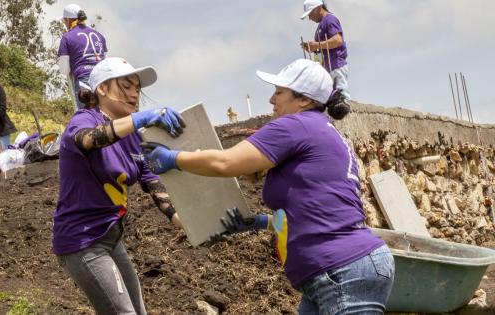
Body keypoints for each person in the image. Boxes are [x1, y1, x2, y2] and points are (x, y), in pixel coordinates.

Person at [142, 59, 395, 314]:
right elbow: (316, 211)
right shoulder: (321, 131)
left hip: (341, 270)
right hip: (335, 271)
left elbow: (225, 163)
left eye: (279, 92)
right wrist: (257, 222)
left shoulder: (296, 125)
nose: (272, 100)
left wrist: (173, 159)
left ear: (304, 100)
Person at [53, 57, 185, 315]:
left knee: (138, 311)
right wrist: (140, 119)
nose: (135, 93)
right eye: (126, 85)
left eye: (137, 88)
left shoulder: (134, 138)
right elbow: (87, 140)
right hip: (83, 241)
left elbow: (151, 182)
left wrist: (182, 221)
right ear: (101, 89)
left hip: (111, 238)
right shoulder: (84, 119)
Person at [58, 3, 108, 111]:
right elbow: (105, 59)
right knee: (105, 115)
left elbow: (64, 69)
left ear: (68, 20)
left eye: (64, 21)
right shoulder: (99, 36)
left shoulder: (67, 37)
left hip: (84, 81)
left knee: (88, 118)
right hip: (103, 79)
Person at [301, 0, 351, 100]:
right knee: (330, 100)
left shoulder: (330, 19)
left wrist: (317, 45)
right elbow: (320, 50)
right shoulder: (321, 26)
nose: (310, 18)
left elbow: (338, 40)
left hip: (336, 65)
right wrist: (313, 48)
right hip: (328, 69)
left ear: (319, 8)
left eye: (310, 13)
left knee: (341, 98)